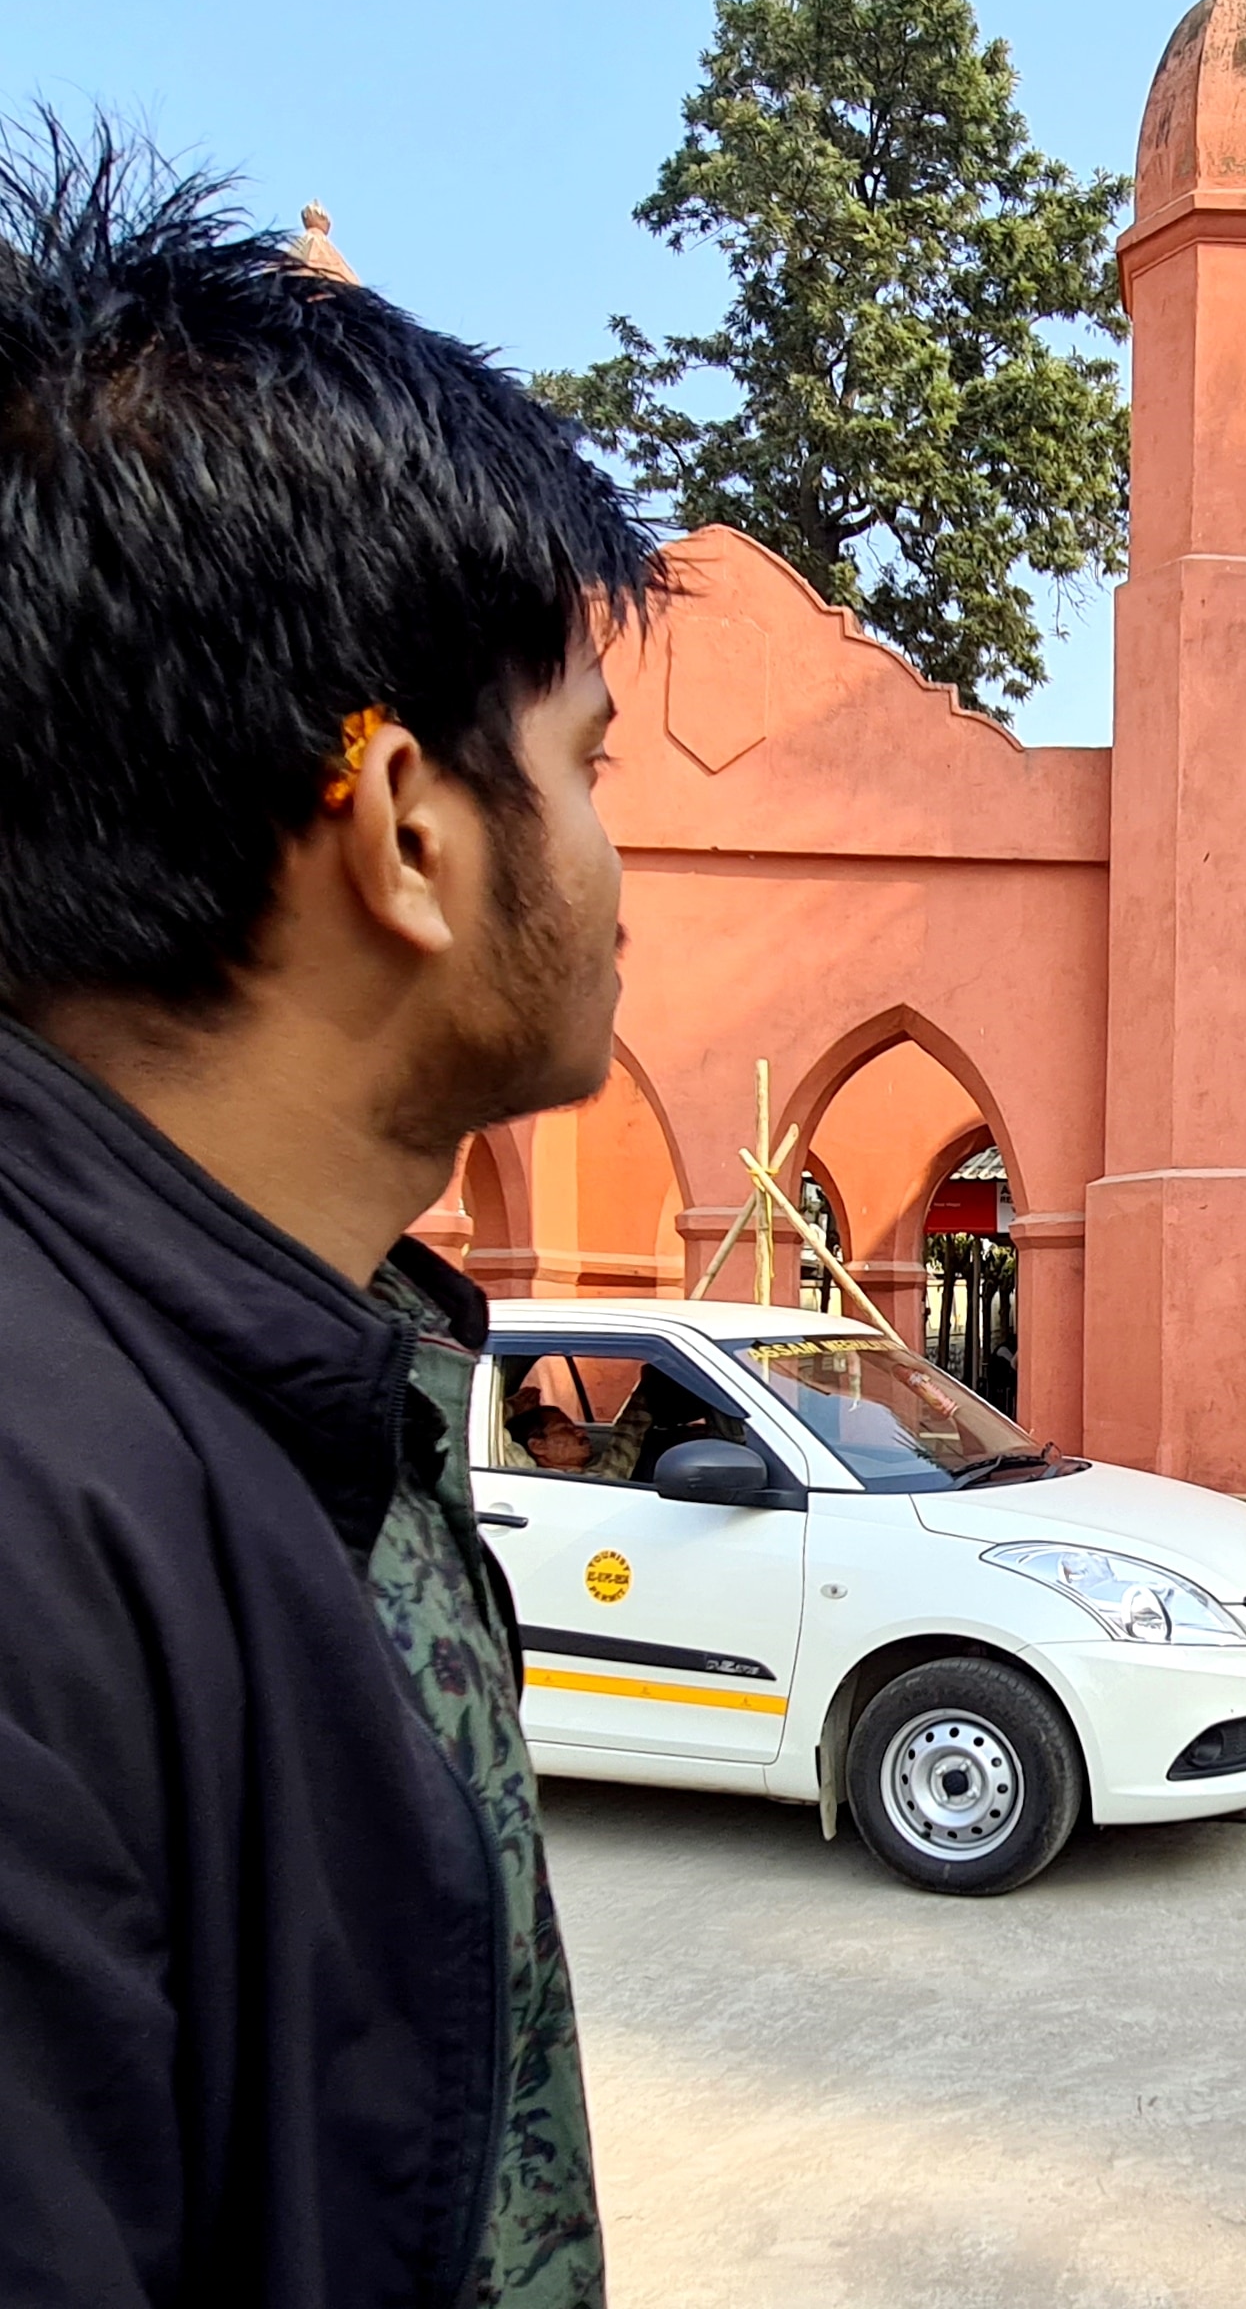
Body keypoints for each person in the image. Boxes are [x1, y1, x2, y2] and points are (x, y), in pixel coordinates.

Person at [0, 124, 653, 2307]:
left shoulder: (313, 1374)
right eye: (588, 762)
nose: (617, 858)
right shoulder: (46, 1514)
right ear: (400, 828)